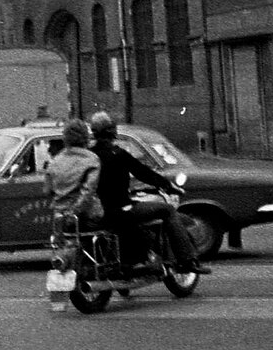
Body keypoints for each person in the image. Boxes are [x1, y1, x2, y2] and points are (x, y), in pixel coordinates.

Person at [88, 112, 209, 275]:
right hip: (122, 208)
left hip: (99, 212)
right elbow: (143, 172)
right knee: (168, 210)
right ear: (112, 132)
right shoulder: (118, 154)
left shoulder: (89, 155)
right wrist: (169, 186)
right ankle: (187, 261)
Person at [43, 120, 101, 225]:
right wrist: (74, 211)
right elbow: (89, 190)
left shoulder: (55, 161)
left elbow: (47, 191)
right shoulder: (92, 159)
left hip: (60, 216)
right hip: (86, 216)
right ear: (85, 136)